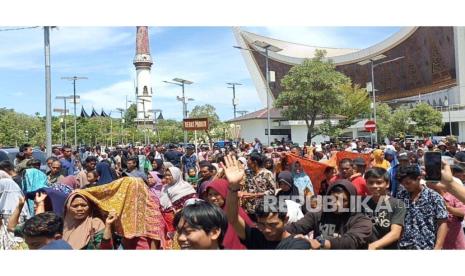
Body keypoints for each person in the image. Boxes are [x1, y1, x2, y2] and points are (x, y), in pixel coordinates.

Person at [223, 155, 310, 250]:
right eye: (262, 224)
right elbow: (233, 219)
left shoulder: (297, 245)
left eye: (273, 224)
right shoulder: (256, 236)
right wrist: (233, 187)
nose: (267, 230)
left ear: (285, 220)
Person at [77, 177, 165, 249]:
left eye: (128, 190)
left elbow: (155, 238)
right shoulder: (126, 206)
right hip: (124, 245)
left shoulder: (152, 209)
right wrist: (84, 192)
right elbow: (109, 190)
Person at [396, 165, 448, 249]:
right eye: (402, 184)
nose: (405, 186)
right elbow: (399, 220)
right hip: (404, 245)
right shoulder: (401, 196)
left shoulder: (434, 197)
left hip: (427, 246)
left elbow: (442, 222)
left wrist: (438, 246)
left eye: (408, 183)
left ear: (418, 178)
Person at [363, 168, 406, 249]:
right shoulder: (361, 203)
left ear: (387, 184)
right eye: (371, 182)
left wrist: (373, 246)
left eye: (379, 182)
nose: (375, 186)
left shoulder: (397, 204)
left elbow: (395, 233)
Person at [205, 179, 254, 249]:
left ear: (225, 193)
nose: (212, 198)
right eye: (210, 194)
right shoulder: (212, 213)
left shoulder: (235, 214)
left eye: (216, 194)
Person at [426, 180, 465, 249]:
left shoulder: (452, 196)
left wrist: (449, 209)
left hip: (455, 241)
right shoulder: (427, 197)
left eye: (433, 184)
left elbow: (462, 212)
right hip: (436, 241)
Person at [243, 152, 277, 216]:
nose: (247, 162)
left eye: (249, 160)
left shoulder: (267, 173)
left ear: (255, 162)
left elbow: (272, 191)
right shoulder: (248, 173)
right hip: (249, 210)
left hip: (263, 210)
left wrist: (255, 195)